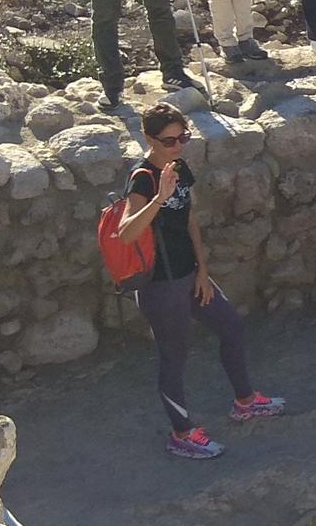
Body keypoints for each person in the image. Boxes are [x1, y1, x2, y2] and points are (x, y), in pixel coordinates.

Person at [117, 102, 285, 459]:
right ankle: (181, 433)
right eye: (169, 141)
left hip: (189, 275)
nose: (178, 147)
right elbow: (126, 233)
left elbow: (190, 219)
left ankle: (245, 401)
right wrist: (158, 199)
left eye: (184, 138)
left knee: (231, 326)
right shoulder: (142, 179)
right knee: (174, 356)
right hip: (160, 285)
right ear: (149, 139)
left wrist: (203, 270)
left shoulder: (179, 167)